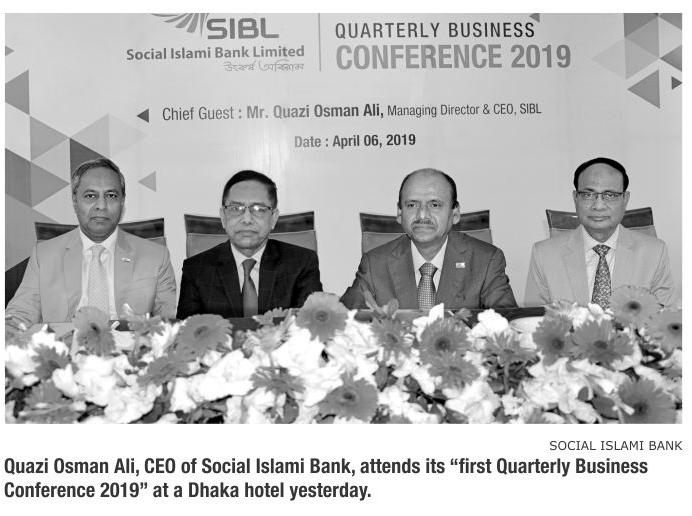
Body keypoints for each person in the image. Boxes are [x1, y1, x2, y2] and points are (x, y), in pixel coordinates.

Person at [6, 158, 177, 325]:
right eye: (90, 196)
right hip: (64, 341)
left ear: (122, 201)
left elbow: (169, 322)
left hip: (130, 342)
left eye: (111, 195)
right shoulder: (44, 255)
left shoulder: (156, 256)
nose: (101, 205)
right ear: (75, 201)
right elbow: (20, 313)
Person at [341, 168, 517, 310]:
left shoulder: (486, 261)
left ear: (455, 214)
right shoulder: (375, 264)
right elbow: (343, 320)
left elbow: (506, 325)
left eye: (434, 205)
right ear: (400, 213)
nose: (422, 214)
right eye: (412, 204)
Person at [525, 157, 676, 308]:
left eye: (610, 195)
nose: (598, 206)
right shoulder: (544, 255)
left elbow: (667, 316)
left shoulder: (655, 253)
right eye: (588, 194)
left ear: (625, 199)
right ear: (575, 198)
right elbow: (534, 317)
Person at [177, 170, 322, 319]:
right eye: (235, 209)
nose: (247, 219)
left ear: (273, 218)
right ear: (223, 217)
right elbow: (187, 330)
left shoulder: (302, 263)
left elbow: (310, 327)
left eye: (258, 209)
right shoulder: (196, 270)